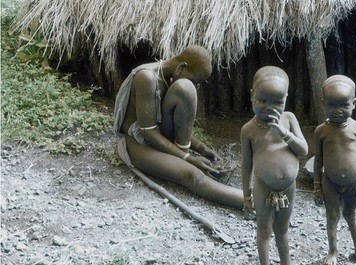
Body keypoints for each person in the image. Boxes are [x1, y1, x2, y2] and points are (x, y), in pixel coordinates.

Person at [114, 45, 243, 209]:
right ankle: (254, 203)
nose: (195, 86)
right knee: (193, 175)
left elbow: (164, 124)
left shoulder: (171, 79)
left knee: (185, 90)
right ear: (181, 68)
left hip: (158, 137)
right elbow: (149, 133)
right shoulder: (146, 77)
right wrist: (188, 158)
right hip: (136, 143)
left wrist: (202, 148)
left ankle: (186, 161)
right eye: (196, 81)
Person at [241, 66, 308, 265]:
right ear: (252, 96)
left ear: (286, 98)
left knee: (283, 230)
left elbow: (303, 150)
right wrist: (246, 196)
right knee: (264, 231)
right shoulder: (249, 130)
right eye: (262, 101)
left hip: (289, 188)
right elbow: (246, 165)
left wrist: (285, 134)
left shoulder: (288, 119)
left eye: (278, 102)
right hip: (263, 187)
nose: (270, 107)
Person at [313, 75, 356, 265]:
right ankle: (332, 251)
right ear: (323, 103)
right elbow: (318, 160)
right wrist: (316, 186)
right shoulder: (321, 131)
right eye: (331, 106)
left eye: (344, 105)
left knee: (351, 215)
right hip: (329, 182)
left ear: (353, 103)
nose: (337, 111)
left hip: (352, 183)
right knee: (332, 216)